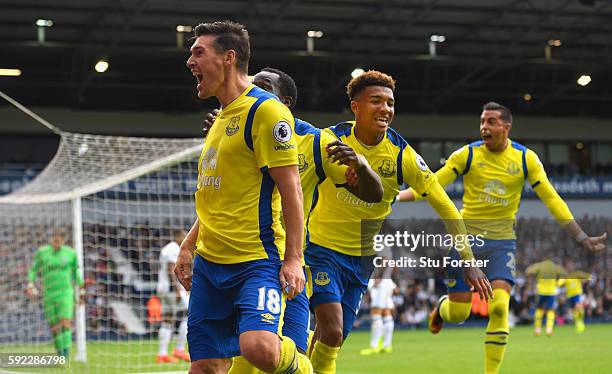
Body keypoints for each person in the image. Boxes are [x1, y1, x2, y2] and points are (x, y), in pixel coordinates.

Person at [397, 101, 608, 373]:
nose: (485, 126)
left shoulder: (525, 159)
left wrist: (581, 237)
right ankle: (441, 309)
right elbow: (431, 184)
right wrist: (396, 198)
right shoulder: (466, 155)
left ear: (506, 127)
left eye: (491, 121)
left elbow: (552, 199)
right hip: (466, 241)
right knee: (459, 314)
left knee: (499, 308)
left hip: (501, 243)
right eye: (482, 121)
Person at [306, 70, 492, 374]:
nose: (385, 109)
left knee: (330, 338)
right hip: (321, 248)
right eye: (376, 101)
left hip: (362, 258)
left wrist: (468, 261)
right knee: (332, 330)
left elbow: (447, 207)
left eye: (390, 103)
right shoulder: (330, 140)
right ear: (355, 106)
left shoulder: (402, 154)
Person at [202, 67, 383, 373]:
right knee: (246, 360)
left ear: (285, 102)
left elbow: (374, 193)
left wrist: (362, 166)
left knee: (270, 356)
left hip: (285, 260)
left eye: (261, 87)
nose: (250, 92)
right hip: (240, 258)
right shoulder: (232, 126)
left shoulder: (314, 142)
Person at [175, 20, 310, 374]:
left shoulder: (266, 111)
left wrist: (294, 259)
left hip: (256, 260)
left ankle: (304, 368)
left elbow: (291, 188)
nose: (190, 61)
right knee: (204, 367)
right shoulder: (219, 121)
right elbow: (215, 197)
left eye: (198, 52)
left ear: (228, 58)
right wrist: (188, 245)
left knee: (259, 349)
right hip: (209, 266)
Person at [27, 229, 84, 359]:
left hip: (65, 292)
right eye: (54, 239)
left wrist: (82, 290)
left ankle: (66, 355)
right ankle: (60, 355)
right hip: (48, 293)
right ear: (51, 239)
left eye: (59, 239)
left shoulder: (70, 253)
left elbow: (76, 273)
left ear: (63, 240)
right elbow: (33, 269)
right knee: (55, 327)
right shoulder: (42, 253)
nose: (56, 242)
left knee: (65, 322)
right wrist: (30, 284)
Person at [156, 230, 190, 363]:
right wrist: (177, 289)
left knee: (167, 319)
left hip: (163, 288)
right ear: (177, 236)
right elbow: (171, 268)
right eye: (183, 235)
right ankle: (180, 349)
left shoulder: (167, 248)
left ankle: (162, 354)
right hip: (171, 288)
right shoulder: (173, 249)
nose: (185, 238)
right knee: (188, 314)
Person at [359, 266, 397, 355]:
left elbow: (384, 260)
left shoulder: (380, 252)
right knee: (387, 314)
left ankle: (374, 346)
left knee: (376, 312)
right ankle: (387, 345)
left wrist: (378, 278)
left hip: (380, 282)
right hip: (386, 281)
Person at [526, 259, 566, 336]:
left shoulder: (539, 265)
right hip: (551, 292)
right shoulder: (554, 266)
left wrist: (534, 278)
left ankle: (537, 330)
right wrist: (558, 284)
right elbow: (564, 274)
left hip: (540, 291)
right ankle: (549, 330)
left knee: (539, 309)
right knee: (550, 310)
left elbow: (528, 271)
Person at [557, 261, 591, 334]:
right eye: (568, 267)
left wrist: (584, 280)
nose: (570, 268)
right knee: (574, 312)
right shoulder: (565, 277)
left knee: (578, 308)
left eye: (571, 267)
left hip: (578, 294)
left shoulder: (577, 274)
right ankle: (579, 324)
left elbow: (588, 277)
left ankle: (581, 322)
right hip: (570, 296)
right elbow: (559, 284)